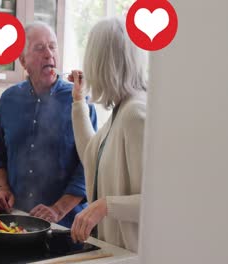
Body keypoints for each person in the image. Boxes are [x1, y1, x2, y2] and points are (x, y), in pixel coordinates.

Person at [0, 22, 98, 228]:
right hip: (17, 219)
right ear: (23, 61)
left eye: (52, 46)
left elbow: (89, 166)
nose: (49, 54)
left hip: (66, 226)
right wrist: (3, 188)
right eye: (39, 48)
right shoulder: (8, 99)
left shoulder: (79, 101)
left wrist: (57, 209)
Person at [69, 17, 148, 252]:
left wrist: (105, 206)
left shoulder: (136, 113)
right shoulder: (121, 109)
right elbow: (90, 155)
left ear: (99, 62)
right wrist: (78, 101)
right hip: (114, 252)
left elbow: (159, 201)